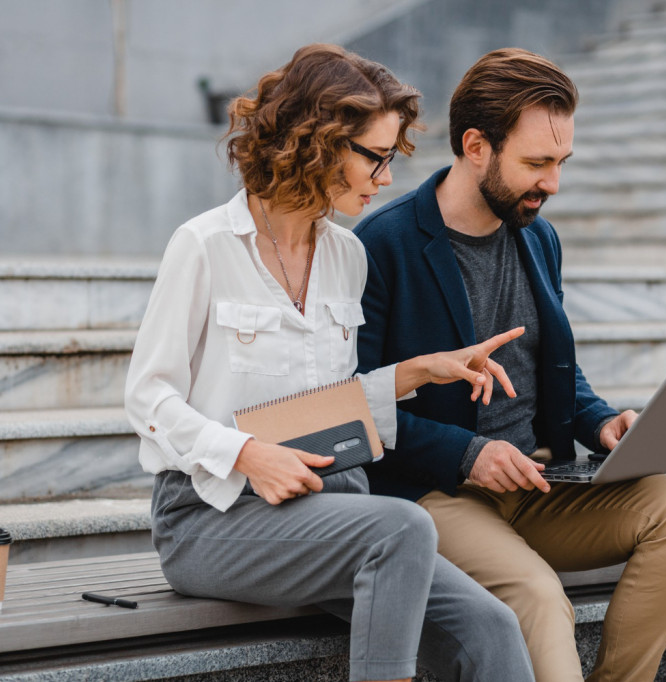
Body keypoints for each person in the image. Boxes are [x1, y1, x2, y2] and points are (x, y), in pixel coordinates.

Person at [124, 44, 535, 682]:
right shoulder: (204, 246)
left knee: (492, 627)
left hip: (329, 509)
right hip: (211, 518)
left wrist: (417, 373)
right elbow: (148, 399)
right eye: (374, 157)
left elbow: (325, 409)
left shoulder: (346, 255)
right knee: (402, 528)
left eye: (392, 158)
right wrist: (246, 453)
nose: (386, 179)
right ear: (316, 144)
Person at [355, 48, 666, 682]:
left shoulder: (538, 235)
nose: (553, 183)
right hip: (438, 494)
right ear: (475, 146)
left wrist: (603, 424)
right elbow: (355, 406)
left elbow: (553, 371)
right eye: (537, 163)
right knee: (538, 595)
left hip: (541, 486)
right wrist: (470, 454)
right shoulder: (383, 245)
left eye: (561, 163)